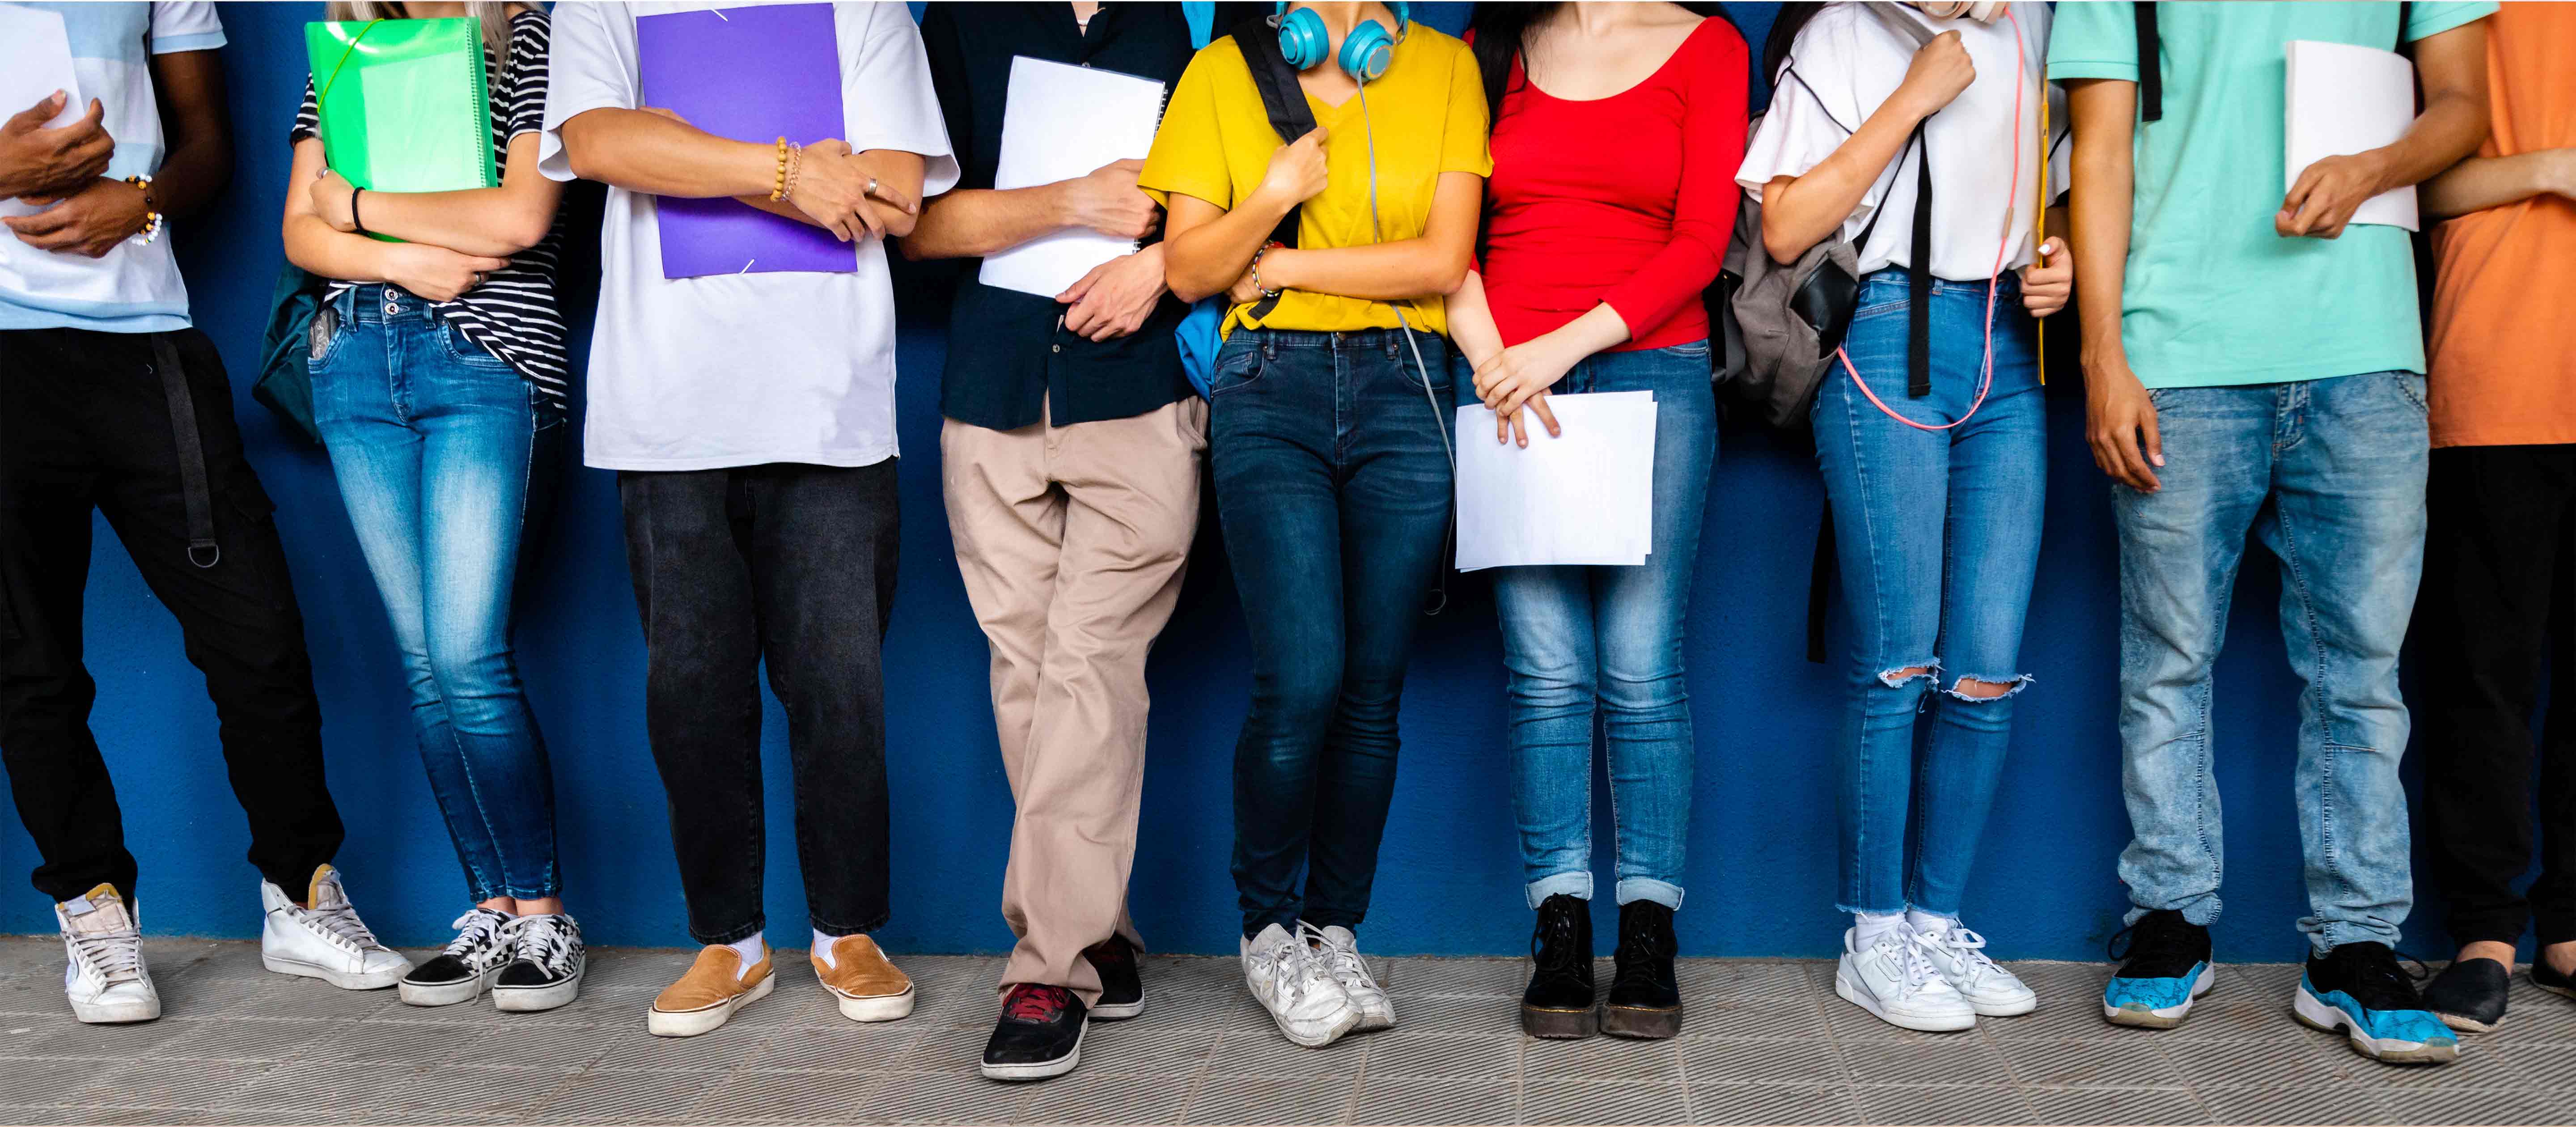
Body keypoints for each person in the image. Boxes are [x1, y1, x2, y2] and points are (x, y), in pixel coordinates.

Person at [2053, 0, 2494, 1067]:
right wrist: (2102, 355)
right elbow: (2100, 152)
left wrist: (2376, 163)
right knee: (2167, 663)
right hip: (2182, 346)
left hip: (2363, 349)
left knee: (2362, 674)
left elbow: (2465, 106)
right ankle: (2168, 919)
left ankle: (2354, 948)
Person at [542, 0, 956, 1038]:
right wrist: (789, 172)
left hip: (830, 404)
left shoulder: (863, 7)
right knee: (691, 691)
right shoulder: (602, 6)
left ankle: (846, 930)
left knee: (842, 688)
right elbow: (596, 140)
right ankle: (727, 941)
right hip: (667, 409)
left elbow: (899, 193)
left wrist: (682, 153)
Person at [0, 0, 411, 1026]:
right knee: (30, 665)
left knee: (258, 638)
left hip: (147, 340)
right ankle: (94, 913)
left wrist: (137, 203)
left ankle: (302, 894)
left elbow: (208, 146)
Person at [1140, 0, 1487, 1049]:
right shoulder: (1221, 76)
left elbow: (1441, 262)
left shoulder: (1443, 70)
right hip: (1268, 387)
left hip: (1406, 385)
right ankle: (1268, 934)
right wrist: (1278, 198)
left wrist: (1283, 267)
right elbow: (1192, 269)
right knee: (1303, 677)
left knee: (1374, 693)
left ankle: (1336, 931)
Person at [1741, 0, 2068, 1034]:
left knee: (1984, 665)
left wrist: (2059, 266)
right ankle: (1873, 935)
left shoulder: (2043, 25)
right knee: (1897, 662)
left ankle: (1937, 922)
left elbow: (2065, 184)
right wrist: (1916, 92)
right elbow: (1785, 224)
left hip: (2009, 344)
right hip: (1886, 331)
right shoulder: (1846, 31)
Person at [905, 0, 1218, 1082]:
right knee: (1028, 680)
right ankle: (1100, 932)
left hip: (1140, 400)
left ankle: (1045, 970)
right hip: (989, 395)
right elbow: (913, 225)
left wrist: (1165, 268)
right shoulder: (961, 20)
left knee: (1089, 667)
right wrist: (1064, 204)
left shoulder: (1201, 25)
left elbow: (1270, 210)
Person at [1448, 0, 1745, 1042]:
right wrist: (1493, 358)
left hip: (1647, 375)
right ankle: (1562, 930)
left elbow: (1702, 242)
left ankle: (1650, 937)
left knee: (1640, 666)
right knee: (1544, 670)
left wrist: (1556, 349)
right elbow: (1448, 228)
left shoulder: (1708, 46)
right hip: (1505, 384)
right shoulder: (1494, 48)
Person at [282, 0, 582, 1015]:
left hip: (484, 360)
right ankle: (490, 908)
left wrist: (357, 208)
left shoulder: (537, 32)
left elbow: (520, 220)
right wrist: (404, 252)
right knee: (422, 664)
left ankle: (544, 919)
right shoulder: (348, 46)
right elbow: (297, 228)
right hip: (354, 357)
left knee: (466, 657)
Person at [2409, 0, 2576, 1036]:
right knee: (2485, 672)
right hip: (2498, 366)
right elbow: (2407, 178)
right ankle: (2484, 933)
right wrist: (2552, 166)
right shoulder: (2467, 8)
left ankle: (2567, 924)